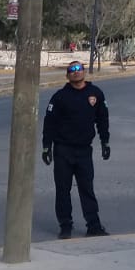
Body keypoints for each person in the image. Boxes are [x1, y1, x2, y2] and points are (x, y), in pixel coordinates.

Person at [41, 59, 110, 239]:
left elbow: (102, 119)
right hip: (63, 150)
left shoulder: (96, 93)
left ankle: (93, 225)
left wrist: (105, 142)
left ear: (84, 71)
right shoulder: (59, 97)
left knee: (87, 188)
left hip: (84, 151)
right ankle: (65, 225)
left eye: (79, 68)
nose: (76, 72)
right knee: (63, 190)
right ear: (67, 75)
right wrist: (46, 147)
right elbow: (49, 123)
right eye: (71, 70)